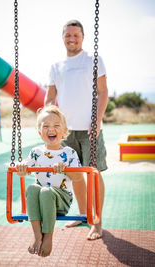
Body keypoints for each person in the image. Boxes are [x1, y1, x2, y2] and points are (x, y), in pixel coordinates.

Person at [44, 20, 108, 240]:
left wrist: (96, 120)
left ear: (82, 36)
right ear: (63, 37)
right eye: (68, 35)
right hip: (67, 131)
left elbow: (103, 92)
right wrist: (47, 121)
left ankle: (96, 223)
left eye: (76, 35)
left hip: (90, 130)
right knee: (75, 176)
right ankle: (82, 215)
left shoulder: (93, 60)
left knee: (94, 174)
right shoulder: (56, 66)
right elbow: (50, 97)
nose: (72, 38)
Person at [16, 105, 84, 257]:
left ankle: (48, 236)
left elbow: (78, 177)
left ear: (64, 131)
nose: (51, 129)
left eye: (56, 126)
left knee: (46, 191)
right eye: (45, 126)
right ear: (40, 132)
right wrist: (21, 167)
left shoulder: (69, 153)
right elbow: (25, 169)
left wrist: (66, 168)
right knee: (33, 188)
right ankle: (36, 234)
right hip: (41, 201)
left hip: (61, 201)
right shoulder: (36, 152)